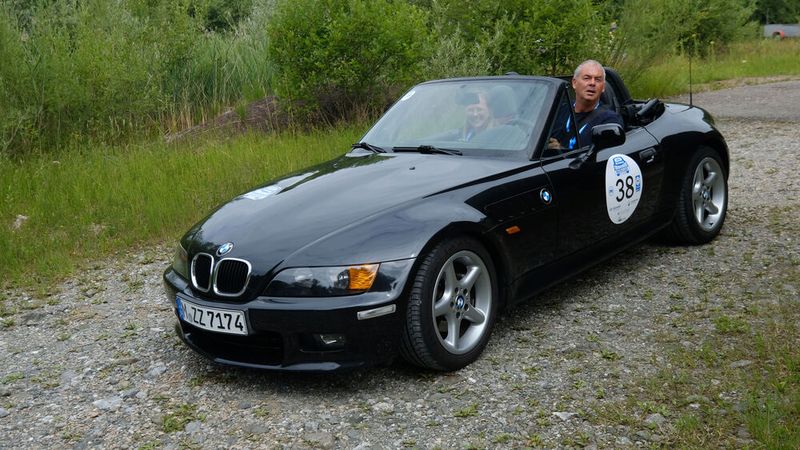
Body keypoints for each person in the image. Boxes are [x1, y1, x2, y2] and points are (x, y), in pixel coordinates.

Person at [549, 60, 623, 150]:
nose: (592, 83)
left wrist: (560, 150)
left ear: (603, 87)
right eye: (587, 78)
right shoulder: (560, 110)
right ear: (574, 83)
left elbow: (600, 158)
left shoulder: (609, 120)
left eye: (597, 79)